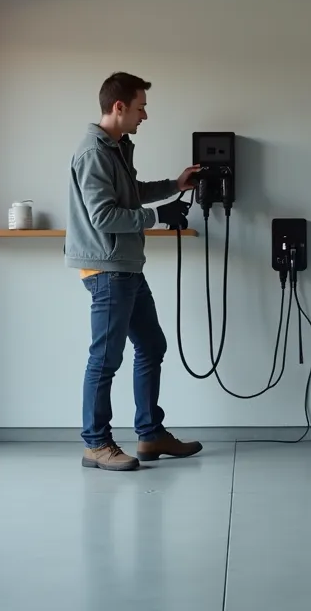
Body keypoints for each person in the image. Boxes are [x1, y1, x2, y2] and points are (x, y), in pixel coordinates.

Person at [65, 71, 202, 471]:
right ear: (119, 107)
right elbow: (105, 215)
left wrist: (175, 185)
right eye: (141, 107)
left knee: (152, 346)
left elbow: (131, 192)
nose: (145, 116)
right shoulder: (93, 153)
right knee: (105, 358)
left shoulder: (117, 147)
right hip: (107, 269)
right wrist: (158, 216)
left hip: (125, 267)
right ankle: (96, 444)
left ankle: (150, 434)